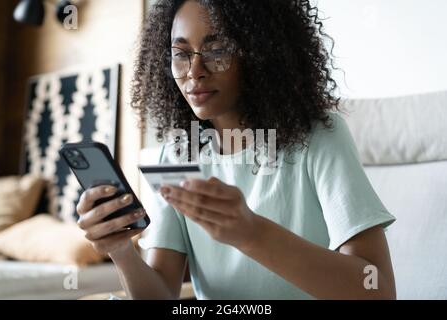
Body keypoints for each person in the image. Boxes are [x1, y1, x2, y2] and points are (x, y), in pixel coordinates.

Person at [76, 0, 396, 299]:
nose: (195, 70)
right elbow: (161, 293)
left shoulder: (318, 135)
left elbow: (377, 288)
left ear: (260, 52)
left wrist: (252, 234)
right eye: (181, 53)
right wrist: (120, 250)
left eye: (217, 49)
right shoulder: (177, 156)